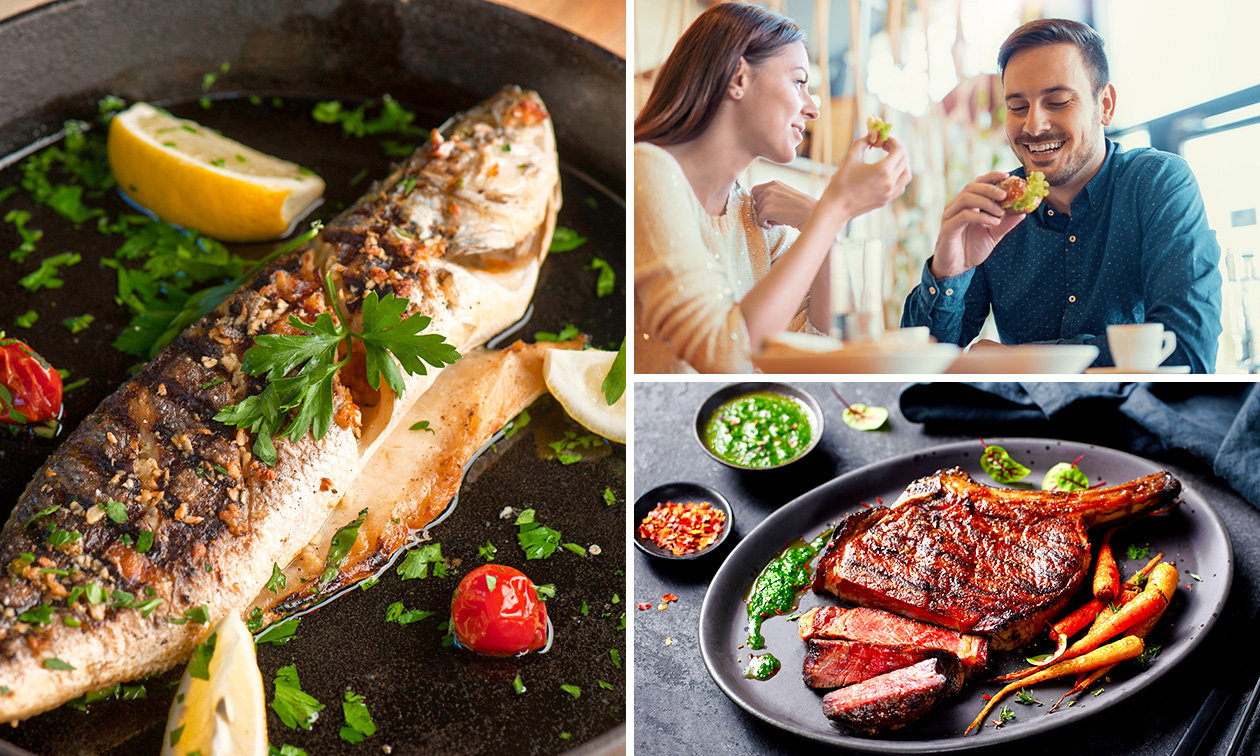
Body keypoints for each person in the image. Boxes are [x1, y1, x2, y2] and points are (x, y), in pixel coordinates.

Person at [901, 18, 1222, 373]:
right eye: (1018, 107)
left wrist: (1019, 360)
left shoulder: (1157, 184)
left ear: (1106, 105)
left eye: (1057, 101)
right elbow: (919, 370)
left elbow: (1189, 352)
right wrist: (948, 272)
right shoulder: (992, 209)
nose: (1033, 126)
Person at [634, 2, 912, 374]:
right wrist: (833, 211)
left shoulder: (757, 220)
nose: (813, 108)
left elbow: (812, 357)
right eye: (799, 81)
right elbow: (726, 354)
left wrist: (825, 229)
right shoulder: (648, 170)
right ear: (738, 78)